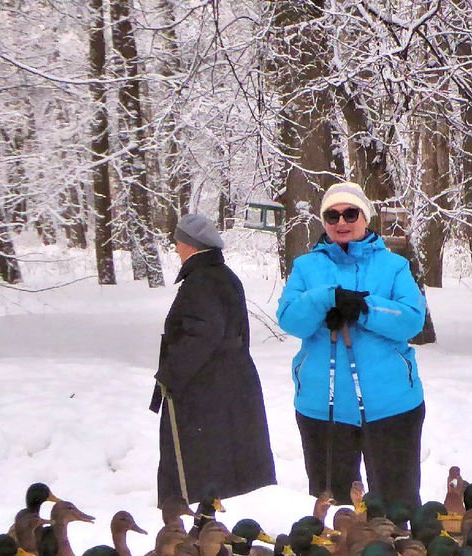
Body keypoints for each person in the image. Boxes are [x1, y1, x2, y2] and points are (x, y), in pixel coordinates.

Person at [277, 181, 427, 516]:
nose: (341, 222)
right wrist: (325, 298)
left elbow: (412, 319)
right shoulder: (306, 267)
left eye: (350, 213)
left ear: (365, 217)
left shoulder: (393, 266)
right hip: (323, 407)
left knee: (396, 507)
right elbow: (289, 319)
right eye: (332, 215)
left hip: (391, 405)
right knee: (334, 511)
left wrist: (364, 308)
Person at [151, 214, 276, 518]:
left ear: (189, 245)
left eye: (178, 242)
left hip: (205, 390)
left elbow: (202, 333)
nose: (176, 249)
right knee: (236, 460)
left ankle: (197, 523)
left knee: (204, 461)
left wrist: (170, 376)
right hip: (234, 382)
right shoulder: (223, 275)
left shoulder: (201, 281)